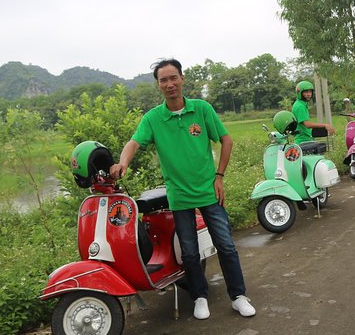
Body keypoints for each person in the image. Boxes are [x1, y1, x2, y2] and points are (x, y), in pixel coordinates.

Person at [109, 59, 255, 320]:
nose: (169, 84)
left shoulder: (201, 109)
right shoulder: (153, 118)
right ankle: (199, 296)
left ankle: (239, 296)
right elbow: (134, 142)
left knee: (226, 245)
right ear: (158, 85)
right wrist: (122, 163)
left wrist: (219, 175)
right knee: (188, 250)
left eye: (173, 78)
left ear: (182, 79)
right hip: (179, 196)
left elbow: (226, 139)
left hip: (210, 192)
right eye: (163, 80)